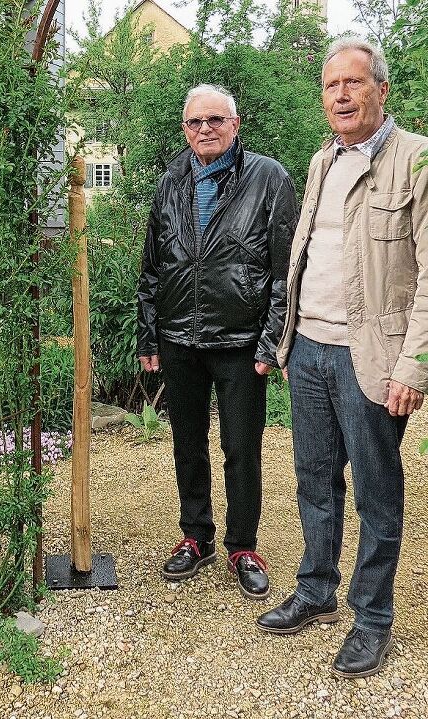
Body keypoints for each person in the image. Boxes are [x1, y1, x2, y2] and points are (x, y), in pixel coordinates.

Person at [257, 38, 428, 678]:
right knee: (314, 479)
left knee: (377, 493)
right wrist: (285, 340)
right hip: (309, 348)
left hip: (372, 356)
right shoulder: (321, 160)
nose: (342, 95)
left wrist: (414, 366)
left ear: (382, 90)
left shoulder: (414, 159)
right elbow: (303, 255)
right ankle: (316, 588)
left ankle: (373, 619)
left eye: (355, 83)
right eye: (332, 86)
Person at [136, 84, 298, 600]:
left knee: (241, 447)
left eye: (214, 120)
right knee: (188, 444)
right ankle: (196, 537)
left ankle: (243, 545)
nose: (203, 129)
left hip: (240, 341)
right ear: (184, 130)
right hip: (180, 335)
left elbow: (284, 269)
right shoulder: (170, 183)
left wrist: (273, 339)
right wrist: (149, 331)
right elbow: (152, 266)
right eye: (193, 123)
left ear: (235, 123)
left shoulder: (267, 178)